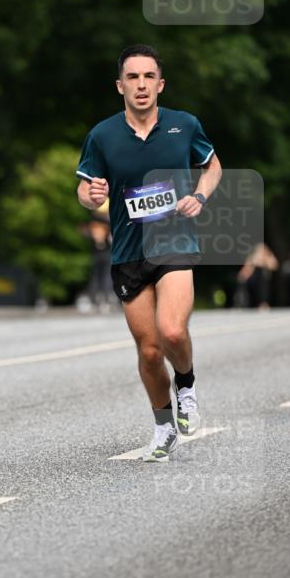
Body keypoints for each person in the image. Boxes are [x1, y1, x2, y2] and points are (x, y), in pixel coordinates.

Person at [76, 44, 222, 462]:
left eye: (148, 77)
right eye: (133, 77)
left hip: (175, 240)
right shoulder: (102, 135)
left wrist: (199, 196)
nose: (141, 85)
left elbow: (213, 167)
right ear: (120, 85)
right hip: (128, 251)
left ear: (160, 84)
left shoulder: (184, 125)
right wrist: (92, 195)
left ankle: (188, 387)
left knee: (172, 331)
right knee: (149, 350)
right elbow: (85, 189)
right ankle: (163, 426)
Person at [236, 243, 279, 309]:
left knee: (264, 279)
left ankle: (263, 303)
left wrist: (264, 261)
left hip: (264, 281)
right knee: (242, 282)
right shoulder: (252, 257)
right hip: (253, 279)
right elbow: (246, 270)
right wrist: (243, 276)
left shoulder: (268, 257)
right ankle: (242, 303)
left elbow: (274, 265)